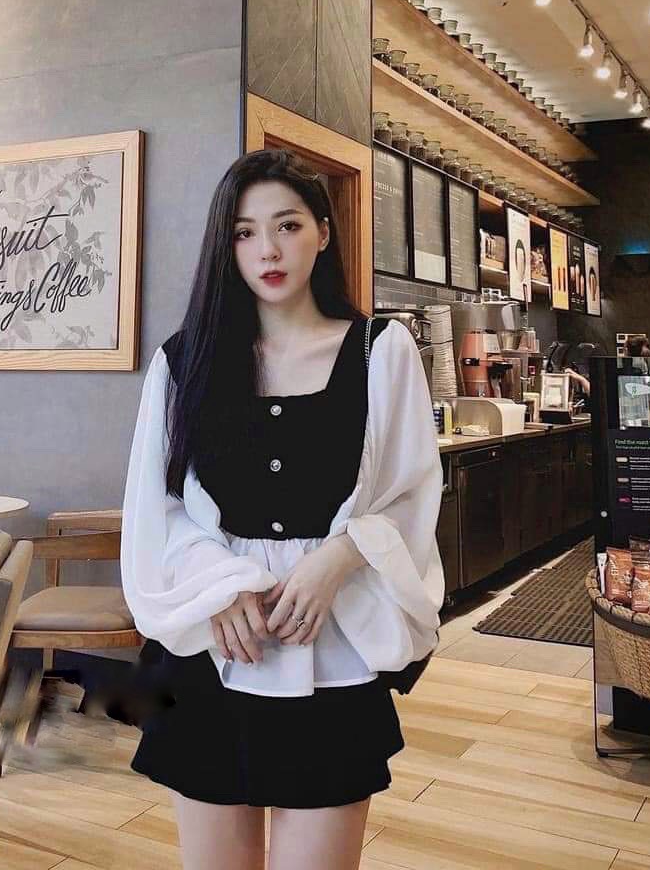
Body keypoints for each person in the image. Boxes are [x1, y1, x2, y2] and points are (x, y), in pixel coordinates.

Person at [119, 149, 444, 870]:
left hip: (333, 652)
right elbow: (156, 508)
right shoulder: (183, 361)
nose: (267, 249)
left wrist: (340, 556)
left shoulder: (381, 352)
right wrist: (220, 585)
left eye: (287, 225)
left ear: (323, 232)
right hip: (214, 654)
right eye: (244, 232)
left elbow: (413, 493)